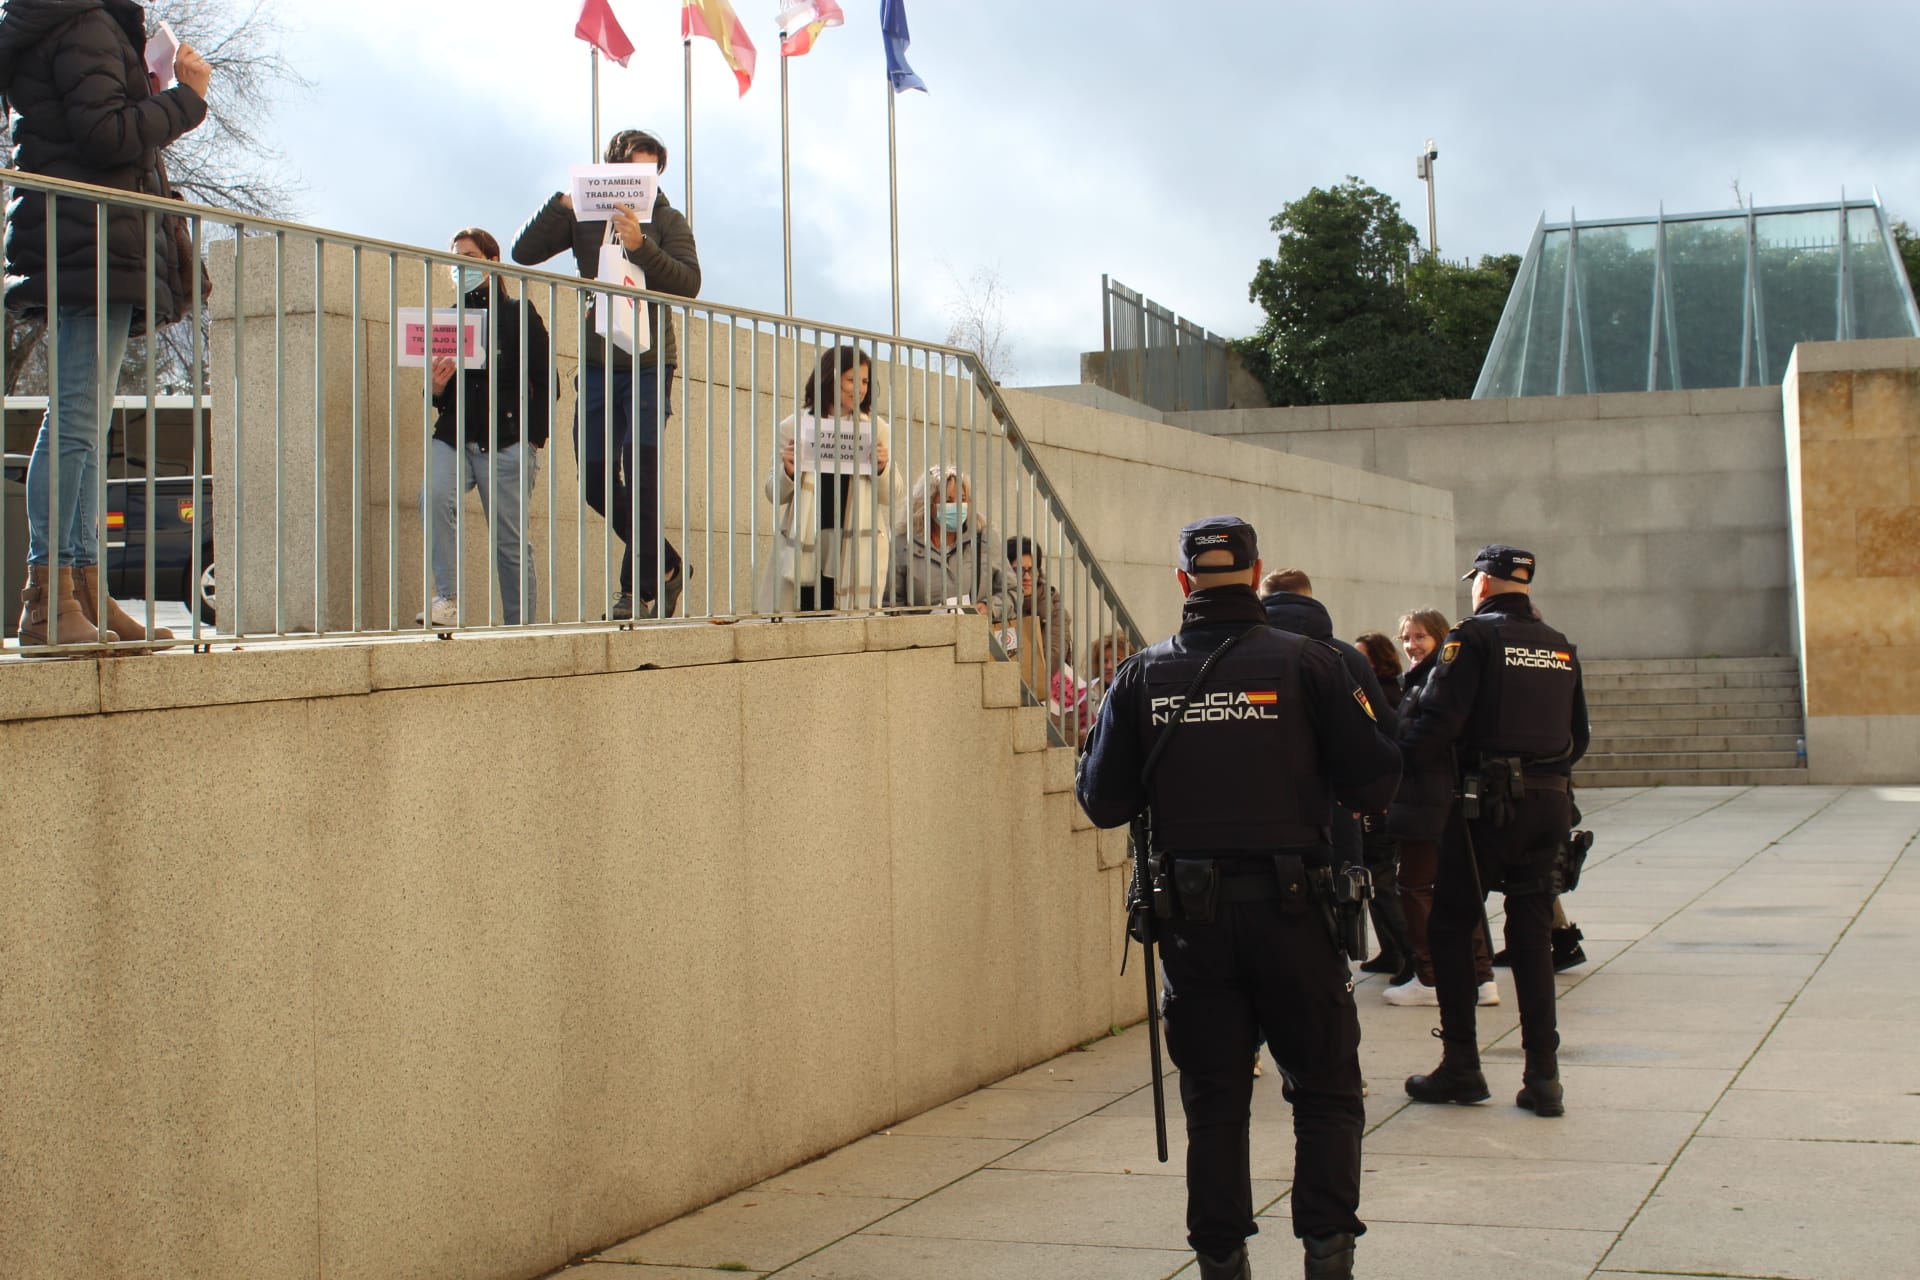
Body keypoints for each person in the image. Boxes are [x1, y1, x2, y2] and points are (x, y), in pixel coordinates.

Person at [1078, 516, 1401, 1280]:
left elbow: (1103, 800)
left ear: (1183, 583)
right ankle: (1328, 1258)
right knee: (1325, 1090)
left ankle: (1221, 1262)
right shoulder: (1311, 666)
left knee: (1215, 1101)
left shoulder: (1140, 674)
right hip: (1298, 915)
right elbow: (1376, 781)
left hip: (1194, 927)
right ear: (1257, 576)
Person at [2, 0, 211, 647]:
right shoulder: (84, 23)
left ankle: (85, 591)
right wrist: (186, 99)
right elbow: (106, 136)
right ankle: (48, 598)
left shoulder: (76, 20)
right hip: (90, 239)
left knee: (85, 427)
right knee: (75, 423)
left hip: (92, 240)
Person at [1402, 546, 1589, 1119]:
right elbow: (1578, 736)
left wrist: (1396, 752)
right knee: (1531, 935)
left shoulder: (1472, 639)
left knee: (1454, 926)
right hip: (1549, 802)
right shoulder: (1559, 644)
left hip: (1485, 804)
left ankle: (1462, 1066)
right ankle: (1544, 1078)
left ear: (1483, 582)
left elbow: (1438, 721)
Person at [511, 127, 698, 620]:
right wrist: (562, 205)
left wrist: (642, 247)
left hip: (650, 363)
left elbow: (690, 282)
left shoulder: (667, 218)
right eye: (634, 169)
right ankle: (669, 564)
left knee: (641, 477)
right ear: (611, 168)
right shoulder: (584, 213)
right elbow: (523, 252)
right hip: (596, 364)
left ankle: (634, 591)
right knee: (595, 479)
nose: (644, 180)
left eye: (652, 172)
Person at [1255, 570, 1419, 992]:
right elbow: (1385, 733)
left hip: (1255, 813)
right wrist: (1370, 794)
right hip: (1332, 813)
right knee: (1331, 921)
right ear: (1311, 599)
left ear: (1262, 597)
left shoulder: (1237, 653)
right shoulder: (1347, 657)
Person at [418, 228, 550, 627]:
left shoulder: (518, 313)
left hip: (506, 441)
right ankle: (449, 598)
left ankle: (519, 626)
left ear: (492, 262)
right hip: (455, 433)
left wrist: (531, 441)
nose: (461, 266)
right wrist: (437, 387)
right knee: (435, 496)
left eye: (469, 256)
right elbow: (439, 392)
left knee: (509, 542)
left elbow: (546, 380)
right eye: (455, 259)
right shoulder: (449, 317)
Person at [1382, 608, 1499, 1007]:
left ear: (1439, 638)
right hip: (1438, 799)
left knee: (1415, 887)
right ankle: (1481, 976)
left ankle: (1430, 976)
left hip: (1427, 800)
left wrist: (1396, 759)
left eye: (1419, 637)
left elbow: (1427, 740)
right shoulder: (1422, 680)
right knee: (1455, 890)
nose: (1411, 646)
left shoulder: (1436, 680)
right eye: (1406, 638)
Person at [755, 345, 900, 612]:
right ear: (830, 378)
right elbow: (773, 493)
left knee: (850, 629)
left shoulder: (876, 428)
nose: (860, 388)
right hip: (807, 546)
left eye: (865, 381)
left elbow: (892, 495)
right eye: (852, 379)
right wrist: (788, 471)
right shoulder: (794, 425)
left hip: (856, 548)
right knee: (804, 624)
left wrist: (882, 467)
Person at [886, 466, 1012, 622]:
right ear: (928, 504)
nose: (957, 506)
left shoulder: (985, 540)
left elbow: (1012, 591)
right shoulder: (903, 546)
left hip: (976, 639)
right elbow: (891, 605)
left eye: (963, 499)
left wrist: (990, 607)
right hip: (926, 642)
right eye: (948, 500)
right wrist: (920, 628)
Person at [1006, 535, 1073, 672]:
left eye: (1031, 569)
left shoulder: (1054, 609)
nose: (1027, 577)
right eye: (1018, 570)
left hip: (1040, 687)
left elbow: (1054, 657)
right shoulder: (999, 607)